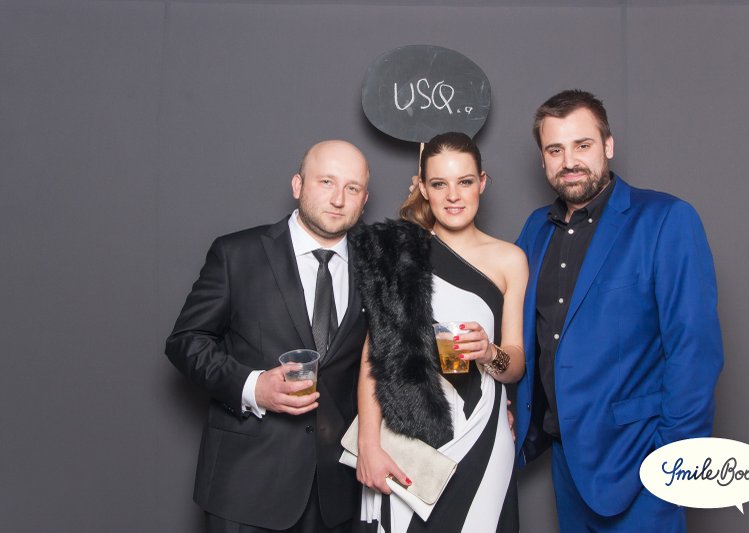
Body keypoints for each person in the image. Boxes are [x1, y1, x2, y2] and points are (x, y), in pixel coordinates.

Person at [514, 90, 724, 531]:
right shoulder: (535, 230)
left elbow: (695, 351)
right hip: (566, 462)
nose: (569, 161)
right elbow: (516, 325)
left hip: (642, 461)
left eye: (582, 145)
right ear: (543, 159)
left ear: (608, 146)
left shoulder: (666, 219)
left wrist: (671, 462)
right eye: (555, 150)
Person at [165, 140, 371, 533]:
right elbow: (186, 341)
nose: (338, 199)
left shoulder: (378, 266)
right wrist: (253, 387)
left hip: (337, 491)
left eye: (352, 188)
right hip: (246, 484)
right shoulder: (236, 254)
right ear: (298, 185)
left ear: (364, 200)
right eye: (326, 182)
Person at [350, 132, 528, 532]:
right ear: (423, 188)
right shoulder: (401, 253)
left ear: (482, 182)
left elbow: (515, 364)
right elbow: (373, 360)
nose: (453, 196)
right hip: (406, 434)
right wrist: (368, 445)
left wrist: (489, 352)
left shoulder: (510, 259)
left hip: (483, 433)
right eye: (439, 183)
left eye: (464, 181)